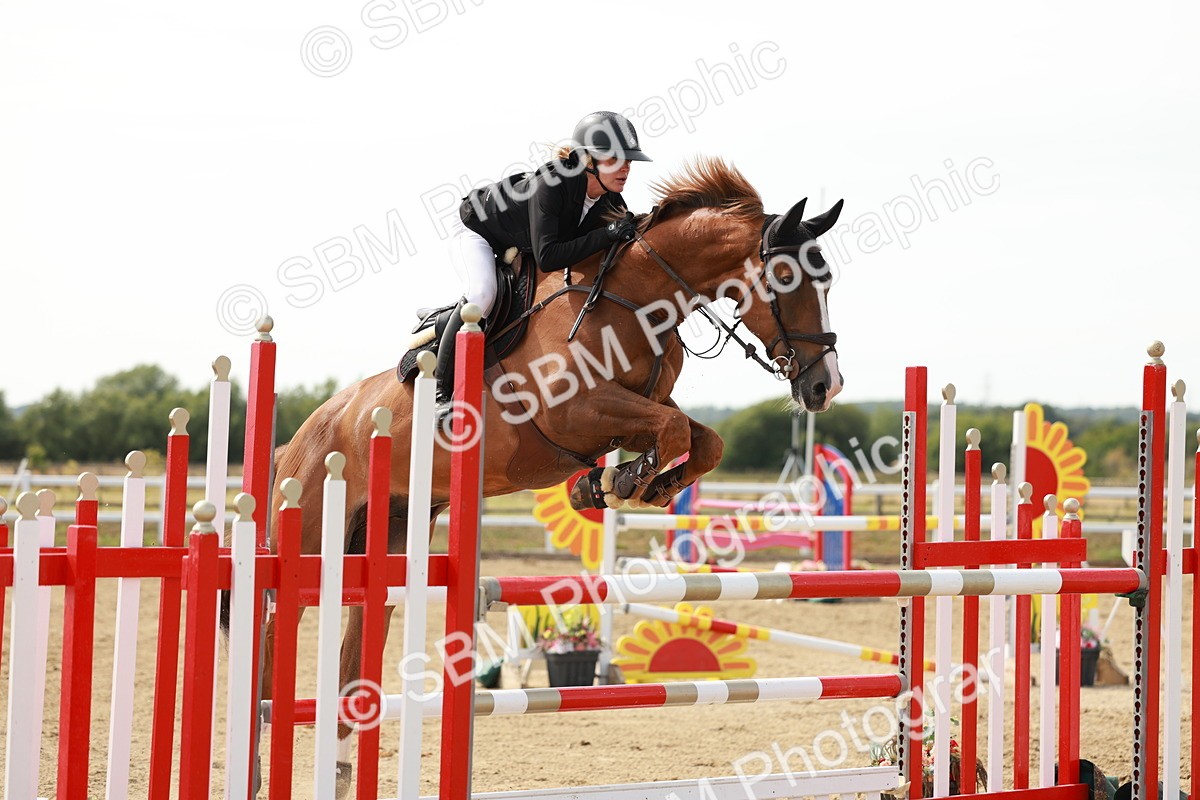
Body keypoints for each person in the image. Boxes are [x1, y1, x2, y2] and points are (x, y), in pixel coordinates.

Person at [436, 110, 652, 404]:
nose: (626, 168)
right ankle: (439, 391)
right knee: (481, 295)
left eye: (629, 161)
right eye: (615, 159)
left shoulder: (610, 199)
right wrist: (607, 234)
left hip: (517, 239)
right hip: (476, 227)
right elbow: (548, 257)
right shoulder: (552, 184)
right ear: (588, 160)